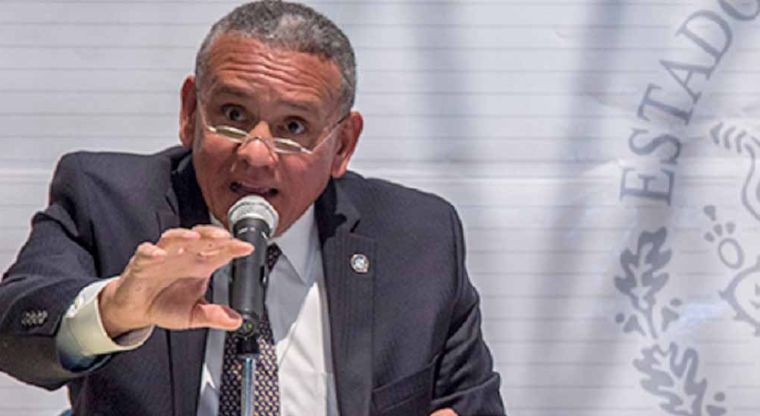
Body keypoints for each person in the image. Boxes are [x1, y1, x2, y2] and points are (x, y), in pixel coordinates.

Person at [0, 1, 505, 415]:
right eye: (233, 114)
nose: (256, 154)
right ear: (190, 112)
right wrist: (115, 309)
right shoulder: (107, 200)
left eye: (293, 127)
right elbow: (13, 334)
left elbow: (470, 402)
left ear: (343, 145)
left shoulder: (418, 238)